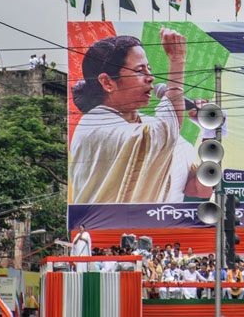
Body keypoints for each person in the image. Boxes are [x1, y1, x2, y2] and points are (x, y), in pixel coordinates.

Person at [69, 30, 212, 203]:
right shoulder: (94, 126)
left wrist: (209, 133)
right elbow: (163, 131)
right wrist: (176, 61)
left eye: (149, 69)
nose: (150, 78)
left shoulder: (151, 126)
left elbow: (198, 189)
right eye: (139, 71)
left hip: (162, 226)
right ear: (107, 82)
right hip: (107, 229)